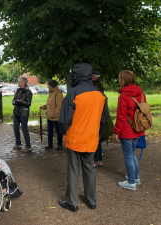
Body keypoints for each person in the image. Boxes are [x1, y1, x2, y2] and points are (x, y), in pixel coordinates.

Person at [58, 63, 107, 212]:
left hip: (75, 138)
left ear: (76, 76)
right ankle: (92, 200)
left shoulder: (72, 93)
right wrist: (97, 134)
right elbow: (103, 119)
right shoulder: (100, 94)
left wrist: (63, 132)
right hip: (91, 137)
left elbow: (64, 120)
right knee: (89, 167)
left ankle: (72, 202)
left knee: (73, 169)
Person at [114, 70, 145, 190]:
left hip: (127, 130)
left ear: (123, 80)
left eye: (120, 78)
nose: (119, 81)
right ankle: (135, 177)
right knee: (131, 154)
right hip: (139, 128)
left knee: (128, 155)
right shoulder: (141, 94)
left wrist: (117, 132)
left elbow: (121, 116)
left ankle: (131, 182)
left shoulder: (124, 96)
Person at [39, 80, 63, 150]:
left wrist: (54, 114)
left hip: (55, 117)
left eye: (48, 86)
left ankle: (59, 144)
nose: (47, 87)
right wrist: (44, 107)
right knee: (49, 131)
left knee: (58, 131)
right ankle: (50, 143)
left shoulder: (58, 94)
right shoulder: (52, 93)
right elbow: (49, 104)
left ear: (51, 86)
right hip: (49, 116)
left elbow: (59, 106)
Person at [12, 77, 33, 153]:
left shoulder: (28, 92)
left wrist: (21, 101)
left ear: (23, 83)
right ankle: (18, 144)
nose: (18, 83)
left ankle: (28, 146)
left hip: (24, 112)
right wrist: (14, 102)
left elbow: (28, 103)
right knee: (15, 128)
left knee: (24, 129)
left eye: (19, 82)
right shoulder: (18, 90)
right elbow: (14, 99)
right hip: (16, 111)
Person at [92, 79, 105, 167]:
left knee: (95, 140)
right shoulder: (102, 95)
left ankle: (95, 160)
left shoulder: (98, 96)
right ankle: (99, 159)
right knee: (98, 141)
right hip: (100, 121)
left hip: (97, 121)